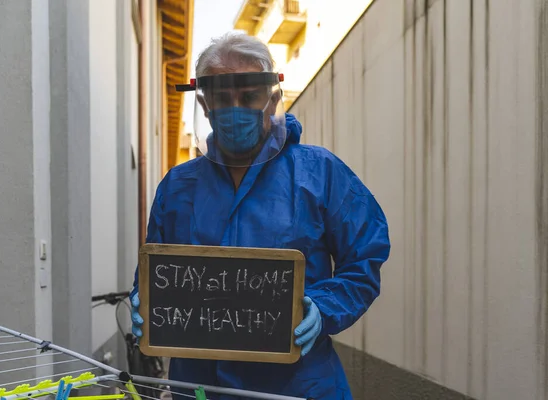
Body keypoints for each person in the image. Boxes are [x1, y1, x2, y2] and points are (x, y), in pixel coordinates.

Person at [129, 32, 390, 400]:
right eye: (223, 97)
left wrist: (324, 305)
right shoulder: (177, 187)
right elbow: (156, 274)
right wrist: (145, 303)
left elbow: (364, 257)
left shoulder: (320, 174)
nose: (236, 107)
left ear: (273, 99)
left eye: (249, 96)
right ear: (205, 105)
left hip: (298, 386)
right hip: (198, 387)